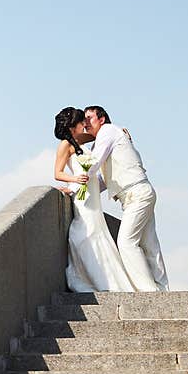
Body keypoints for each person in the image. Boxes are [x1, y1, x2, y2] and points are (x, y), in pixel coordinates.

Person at [82, 105, 169, 292]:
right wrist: (77, 191)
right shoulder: (102, 141)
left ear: (102, 119)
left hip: (137, 193)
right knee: (149, 245)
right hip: (135, 194)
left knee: (127, 242)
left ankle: (148, 292)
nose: (85, 123)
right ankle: (162, 291)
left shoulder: (107, 131)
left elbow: (93, 164)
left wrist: (75, 180)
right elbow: (102, 181)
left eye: (89, 118)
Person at [53, 107, 135, 292]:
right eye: (83, 122)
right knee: (86, 231)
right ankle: (95, 279)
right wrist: (75, 180)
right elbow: (57, 173)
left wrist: (118, 130)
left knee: (98, 232)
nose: (86, 124)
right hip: (83, 193)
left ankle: (108, 279)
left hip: (92, 192)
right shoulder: (64, 145)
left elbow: (96, 135)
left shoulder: (78, 140)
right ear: (74, 125)